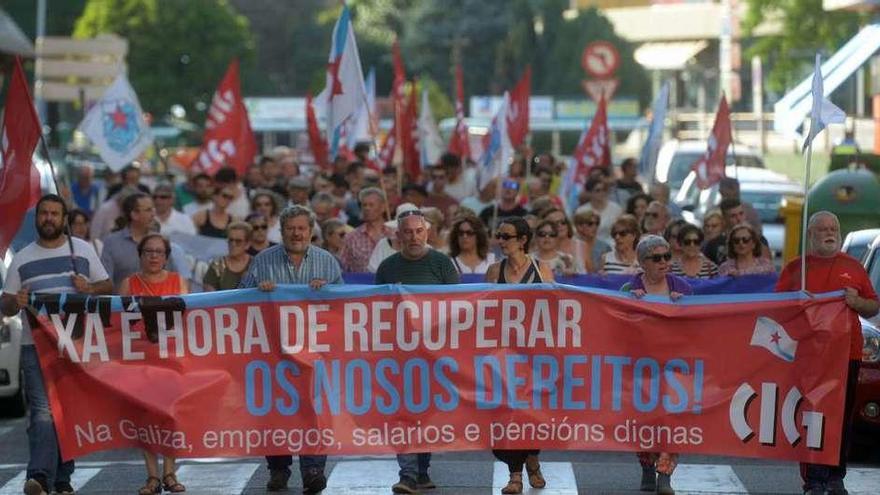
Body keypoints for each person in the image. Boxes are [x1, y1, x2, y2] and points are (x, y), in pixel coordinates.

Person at [1, 194, 112, 495]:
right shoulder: (23, 258)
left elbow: (107, 287)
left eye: (54, 214)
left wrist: (89, 288)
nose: (48, 218)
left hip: (74, 347)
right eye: (43, 213)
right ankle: (38, 476)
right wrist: (16, 301)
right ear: (37, 218)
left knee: (68, 410)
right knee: (42, 411)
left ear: (64, 219)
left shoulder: (83, 250)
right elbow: (6, 305)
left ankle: (62, 478)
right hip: (34, 346)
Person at [239, 205, 343, 494]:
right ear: (281, 231)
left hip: (314, 353)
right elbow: (239, 300)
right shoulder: (263, 261)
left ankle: (313, 470)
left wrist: (329, 293)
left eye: (301, 228)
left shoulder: (328, 262)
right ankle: (278, 470)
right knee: (277, 411)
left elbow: (347, 306)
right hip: (275, 353)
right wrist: (256, 290)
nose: (296, 233)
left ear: (311, 231)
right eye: (290, 229)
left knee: (314, 410)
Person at [776, 211, 879, 495]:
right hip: (808, 356)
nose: (829, 233)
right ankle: (814, 480)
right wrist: (796, 304)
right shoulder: (797, 269)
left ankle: (835, 476)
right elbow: (775, 309)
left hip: (847, 355)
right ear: (810, 235)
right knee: (812, 416)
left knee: (841, 417)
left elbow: (873, 306)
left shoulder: (853, 267)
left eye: (833, 227)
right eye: (822, 229)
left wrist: (856, 301)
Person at [374, 208, 460, 494]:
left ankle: (422, 470)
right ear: (398, 236)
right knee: (404, 413)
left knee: (426, 413)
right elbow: (376, 309)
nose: (413, 237)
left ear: (427, 233)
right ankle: (408, 475)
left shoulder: (442, 264)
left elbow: (458, 306)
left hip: (434, 354)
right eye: (407, 232)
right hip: (399, 355)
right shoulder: (387, 267)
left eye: (418, 231)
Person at [485, 217, 553, 495]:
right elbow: (483, 310)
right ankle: (516, 472)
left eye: (506, 236)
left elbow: (556, 310)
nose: (501, 241)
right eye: (499, 235)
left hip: (534, 357)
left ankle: (530, 460)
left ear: (523, 240)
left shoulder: (542, 269)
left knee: (530, 415)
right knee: (504, 414)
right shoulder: (493, 270)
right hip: (502, 355)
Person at [118, 234, 189, 495]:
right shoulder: (129, 283)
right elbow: (119, 325)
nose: (154, 256)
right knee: (145, 417)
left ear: (167, 256)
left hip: (171, 361)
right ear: (140, 255)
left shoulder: (178, 282)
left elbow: (187, 320)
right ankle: (152, 477)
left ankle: (170, 473)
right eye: (149, 251)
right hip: (140, 362)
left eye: (159, 252)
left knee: (170, 416)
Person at [621, 235, 692, 495]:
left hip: (674, 366)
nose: (663, 262)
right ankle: (647, 468)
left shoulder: (681, 286)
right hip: (641, 367)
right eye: (656, 258)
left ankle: (665, 475)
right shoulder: (628, 290)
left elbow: (696, 323)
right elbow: (617, 325)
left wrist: (682, 304)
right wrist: (631, 304)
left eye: (666, 257)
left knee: (672, 422)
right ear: (642, 262)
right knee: (645, 421)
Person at [102, 192, 174, 289]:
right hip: (123, 302)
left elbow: (170, 277)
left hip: (157, 301)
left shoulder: (160, 242)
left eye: (153, 209)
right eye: (148, 210)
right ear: (134, 215)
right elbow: (105, 281)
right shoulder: (111, 242)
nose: (153, 214)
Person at [340, 187, 388, 272]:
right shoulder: (352, 237)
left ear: (383, 207)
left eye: (371, 205)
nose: (367, 208)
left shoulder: (394, 234)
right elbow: (343, 268)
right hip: (361, 284)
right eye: (364, 205)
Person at [202, 222, 253, 291]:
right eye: (230, 240)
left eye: (238, 241)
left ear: (247, 244)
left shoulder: (254, 264)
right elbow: (209, 294)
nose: (233, 244)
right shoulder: (218, 264)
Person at [575, 177, 623, 245]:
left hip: (613, 246)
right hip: (589, 246)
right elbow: (578, 234)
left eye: (604, 190)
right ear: (590, 192)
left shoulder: (616, 209)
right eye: (597, 190)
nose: (601, 193)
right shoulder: (581, 211)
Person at [572, 209, 611, 274]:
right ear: (578, 226)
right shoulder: (572, 245)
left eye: (597, 223)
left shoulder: (605, 247)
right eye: (590, 224)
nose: (595, 227)